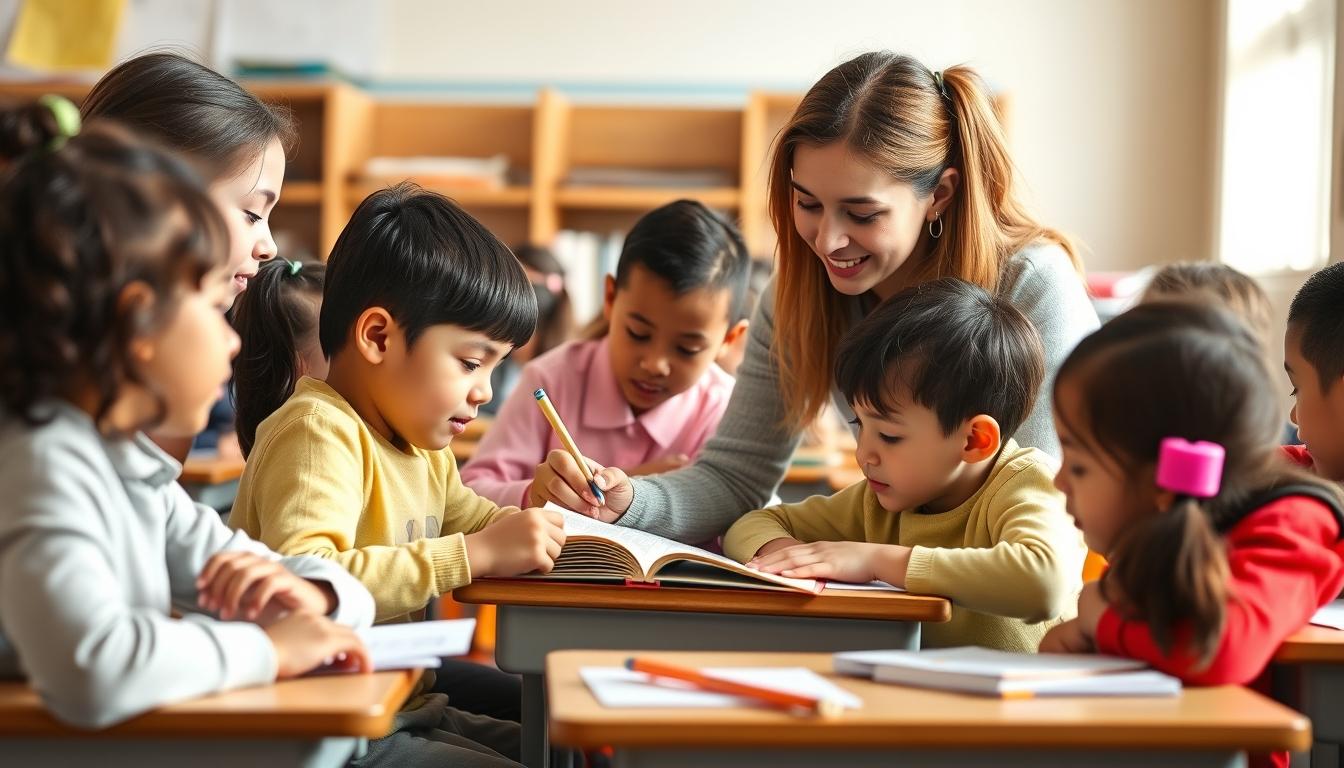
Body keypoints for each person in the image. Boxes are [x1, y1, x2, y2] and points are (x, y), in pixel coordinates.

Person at [532, 51, 1098, 544]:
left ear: (939, 195)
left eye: (862, 213)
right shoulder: (798, 295)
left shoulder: (1032, 286)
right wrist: (627, 500)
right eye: (808, 204)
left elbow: (1050, 513)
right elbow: (736, 477)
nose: (828, 241)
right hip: (894, 598)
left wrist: (876, 559)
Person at [0, 100, 373, 728]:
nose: (230, 340)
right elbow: (95, 665)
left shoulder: (124, 465)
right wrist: (267, 649)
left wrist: (312, 594)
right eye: (208, 308)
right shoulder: (40, 459)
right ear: (140, 320)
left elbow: (313, 584)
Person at [1042, 301, 1344, 768]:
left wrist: (1099, 618)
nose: (1060, 482)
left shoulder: (1294, 518)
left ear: (1160, 481)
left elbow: (1222, 650)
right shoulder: (1163, 523)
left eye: (1078, 465)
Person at [726, 279, 1084, 651]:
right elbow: (751, 524)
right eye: (859, 424)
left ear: (975, 440)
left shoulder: (1027, 483)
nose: (864, 453)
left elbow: (1045, 583)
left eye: (890, 436)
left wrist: (879, 561)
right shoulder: (879, 500)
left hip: (1029, 704)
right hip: (923, 696)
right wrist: (794, 556)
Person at [464, 200, 749, 507]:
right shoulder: (551, 378)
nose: (654, 364)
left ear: (729, 339)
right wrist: (532, 495)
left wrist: (643, 496)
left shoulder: (728, 410)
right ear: (611, 298)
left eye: (687, 349)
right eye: (638, 333)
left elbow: (743, 513)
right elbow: (470, 492)